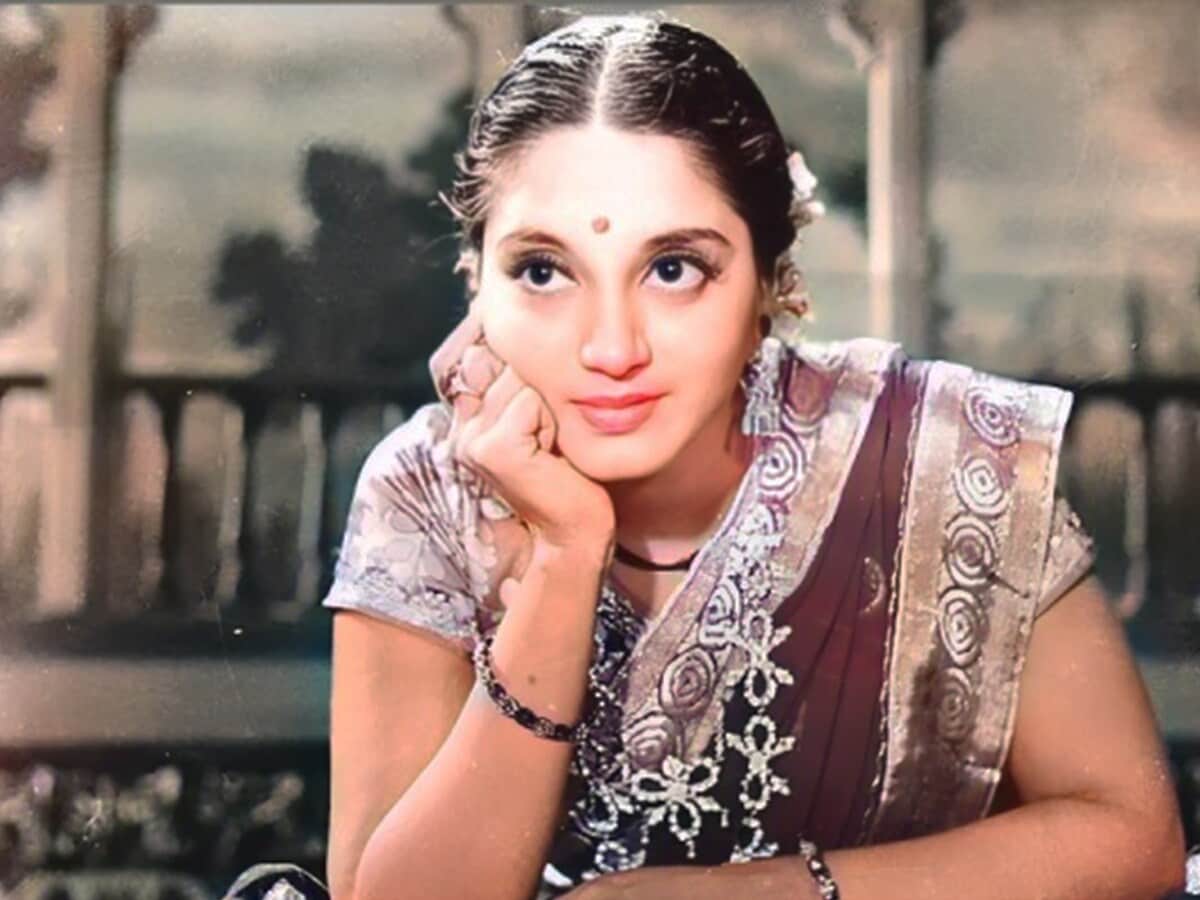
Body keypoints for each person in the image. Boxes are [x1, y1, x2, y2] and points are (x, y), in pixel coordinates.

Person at [223, 12, 1194, 900]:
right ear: (477, 284)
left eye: (673, 269)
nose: (612, 348)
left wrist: (750, 895)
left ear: (770, 282)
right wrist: (563, 558)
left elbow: (1131, 837)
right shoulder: (429, 491)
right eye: (545, 271)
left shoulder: (943, 455)